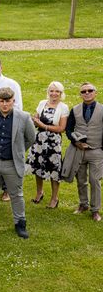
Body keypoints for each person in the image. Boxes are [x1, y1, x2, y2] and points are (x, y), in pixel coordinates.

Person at [0, 87, 35, 238]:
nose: (4, 104)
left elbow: (30, 138)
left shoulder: (24, 117)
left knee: (16, 195)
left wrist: (18, 151)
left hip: (13, 163)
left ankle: (20, 223)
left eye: (8, 101)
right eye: (1, 101)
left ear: (13, 101)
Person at [62, 82, 103, 221]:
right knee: (80, 180)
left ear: (95, 93)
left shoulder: (102, 109)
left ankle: (95, 210)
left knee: (94, 180)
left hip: (96, 151)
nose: (87, 93)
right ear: (80, 94)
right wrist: (76, 142)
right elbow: (68, 129)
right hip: (78, 150)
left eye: (90, 90)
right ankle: (83, 204)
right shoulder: (75, 109)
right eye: (83, 91)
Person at [27, 82, 69, 209]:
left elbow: (61, 128)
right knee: (37, 166)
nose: (54, 93)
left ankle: (54, 198)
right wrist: (34, 121)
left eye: (57, 91)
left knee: (54, 169)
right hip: (39, 140)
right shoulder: (42, 103)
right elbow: (37, 118)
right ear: (48, 92)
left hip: (53, 142)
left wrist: (43, 125)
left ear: (61, 93)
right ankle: (39, 192)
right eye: (51, 91)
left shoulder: (63, 107)